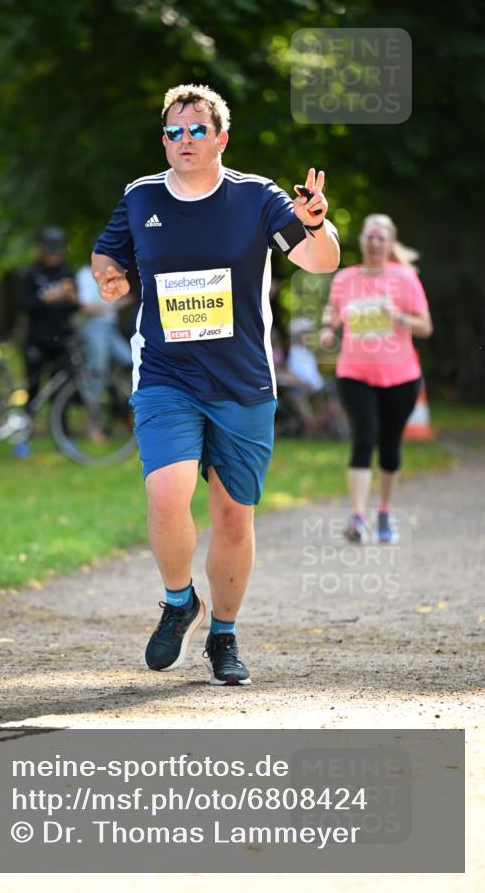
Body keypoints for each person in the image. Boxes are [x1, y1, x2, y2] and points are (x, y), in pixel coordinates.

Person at [91, 83, 340, 685]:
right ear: (164, 141)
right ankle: (180, 602)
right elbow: (106, 254)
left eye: (197, 129)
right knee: (166, 493)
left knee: (232, 516)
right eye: (173, 131)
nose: (185, 140)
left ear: (221, 138)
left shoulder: (256, 197)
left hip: (242, 381)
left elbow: (321, 260)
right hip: (166, 374)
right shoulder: (142, 196)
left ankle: (223, 635)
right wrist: (110, 277)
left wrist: (316, 224)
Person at [320, 213, 433, 544]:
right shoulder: (345, 279)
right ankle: (358, 517)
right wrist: (328, 330)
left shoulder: (405, 278)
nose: (374, 242)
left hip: (401, 377)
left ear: (390, 243)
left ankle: (384, 511)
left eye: (381, 237)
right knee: (363, 438)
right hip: (354, 373)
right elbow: (332, 311)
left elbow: (425, 327)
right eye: (369, 236)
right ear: (362, 241)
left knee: (389, 447)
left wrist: (399, 317)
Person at [17, 226, 78, 456]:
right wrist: (47, 299)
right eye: (50, 250)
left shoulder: (67, 273)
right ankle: (23, 439)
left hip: (61, 340)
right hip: (36, 340)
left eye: (57, 250)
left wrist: (71, 298)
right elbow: (24, 305)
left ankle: (63, 440)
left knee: (62, 392)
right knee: (32, 391)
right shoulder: (31, 274)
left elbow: (73, 307)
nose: (54, 255)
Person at [75, 264, 133, 441]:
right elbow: (86, 307)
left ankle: (125, 416)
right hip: (94, 329)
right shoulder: (86, 275)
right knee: (97, 377)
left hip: (110, 329)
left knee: (132, 363)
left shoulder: (111, 274)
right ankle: (93, 427)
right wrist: (110, 306)